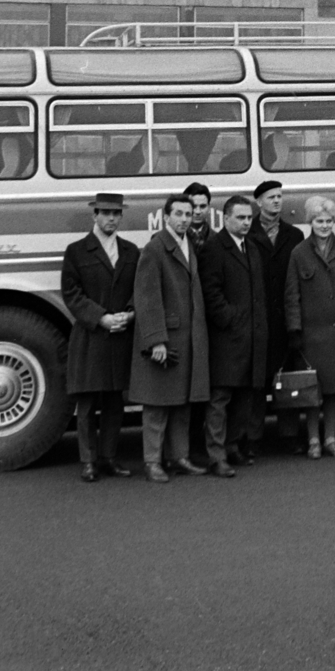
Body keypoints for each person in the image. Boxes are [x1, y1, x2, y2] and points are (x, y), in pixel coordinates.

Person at [130, 192, 210, 483]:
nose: (184, 219)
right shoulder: (154, 249)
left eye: (188, 214)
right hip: (168, 338)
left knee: (182, 404)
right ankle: (152, 462)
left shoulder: (188, 244)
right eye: (179, 214)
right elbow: (147, 297)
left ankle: (180, 457)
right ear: (166, 217)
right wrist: (156, 340)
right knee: (156, 405)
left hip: (188, 338)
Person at [60, 191, 138, 482]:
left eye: (116, 214)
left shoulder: (131, 252)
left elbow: (137, 290)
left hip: (119, 336)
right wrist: (101, 318)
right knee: (88, 404)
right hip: (92, 337)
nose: (111, 219)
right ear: (94, 215)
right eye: (106, 213)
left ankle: (108, 458)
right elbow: (72, 294)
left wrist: (129, 314)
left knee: (115, 403)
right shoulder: (77, 251)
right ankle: (88, 461)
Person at [284, 196, 335, 458]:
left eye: (329, 221)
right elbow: (292, 295)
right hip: (310, 334)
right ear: (310, 222)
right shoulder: (299, 253)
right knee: (311, 390)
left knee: (334, 390)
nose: (325, 225)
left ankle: (330, 439)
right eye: (319, 221)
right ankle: (313, 441)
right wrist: (294, 330)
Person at [198, 192, 268, 476]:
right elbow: (210, 292)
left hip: (251, 335)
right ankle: (216, 456)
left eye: (249, 218)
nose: (245, 222)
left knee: (244, 396)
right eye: (239, 217)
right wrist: (229, 320)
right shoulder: (214, 248)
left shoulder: (251, 246)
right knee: (220, 399)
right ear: (225, 218)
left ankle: (232, 447)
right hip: (227, 338)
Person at [248, 178, 304, 453]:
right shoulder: (248, 233)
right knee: (257, 382)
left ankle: (289, 435)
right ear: (259, 202)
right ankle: (254, 438)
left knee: (288, 379)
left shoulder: (294, 236)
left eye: (280, 196)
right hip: (257, 317)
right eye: (271, 197)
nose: (277, 201)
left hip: (285, 317)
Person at [184, 182, 214, 251]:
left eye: (202, 206)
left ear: (209, 208)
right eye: (193, 206)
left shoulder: (220, 241)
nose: (198, 211)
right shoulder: (169, 240)